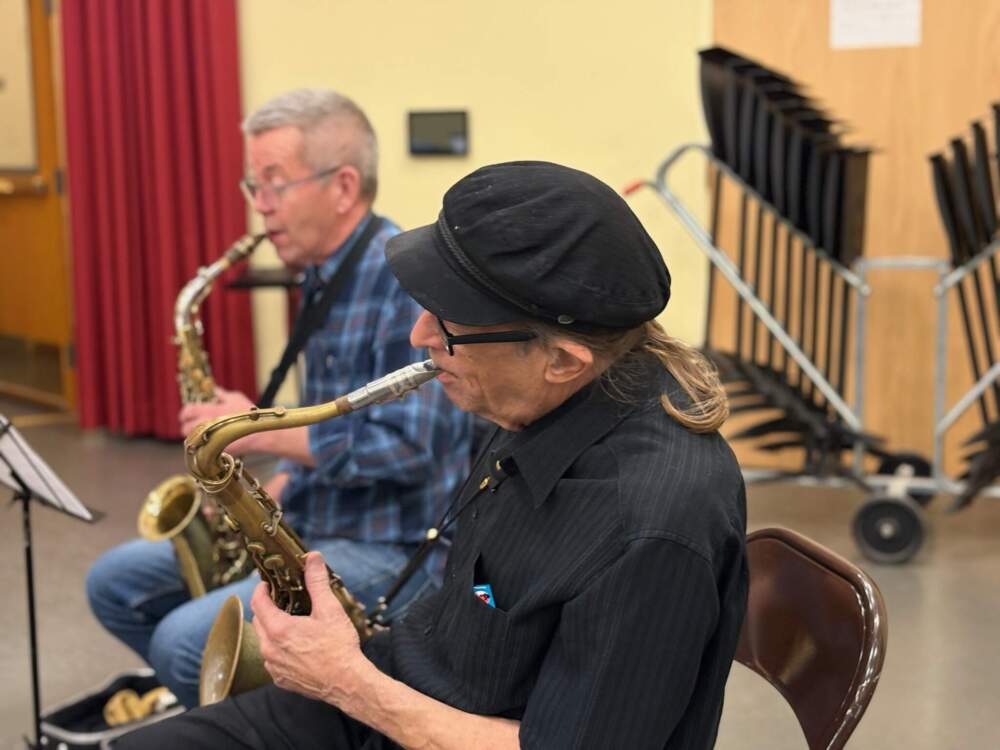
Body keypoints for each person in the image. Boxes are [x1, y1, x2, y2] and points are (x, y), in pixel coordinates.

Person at [119, 161, 747, 749]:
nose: (419, 336)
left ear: (561, 359)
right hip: (399, 691)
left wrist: (346, 681)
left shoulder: (651, 526)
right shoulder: (541, 399)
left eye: (449, 322)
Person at [86, 89, 471, 710]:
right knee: (115, 583)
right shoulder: (323, 273)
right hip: (321, 516)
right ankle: (252, 704)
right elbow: (335, 423)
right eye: (252, 187)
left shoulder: (398, 281)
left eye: (275, 185)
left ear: (343, 187)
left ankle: (267, 716)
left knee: (183, 644)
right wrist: (267, 489)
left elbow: (410, 449)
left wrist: (255, 430)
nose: (260, 208)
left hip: (394, 546)